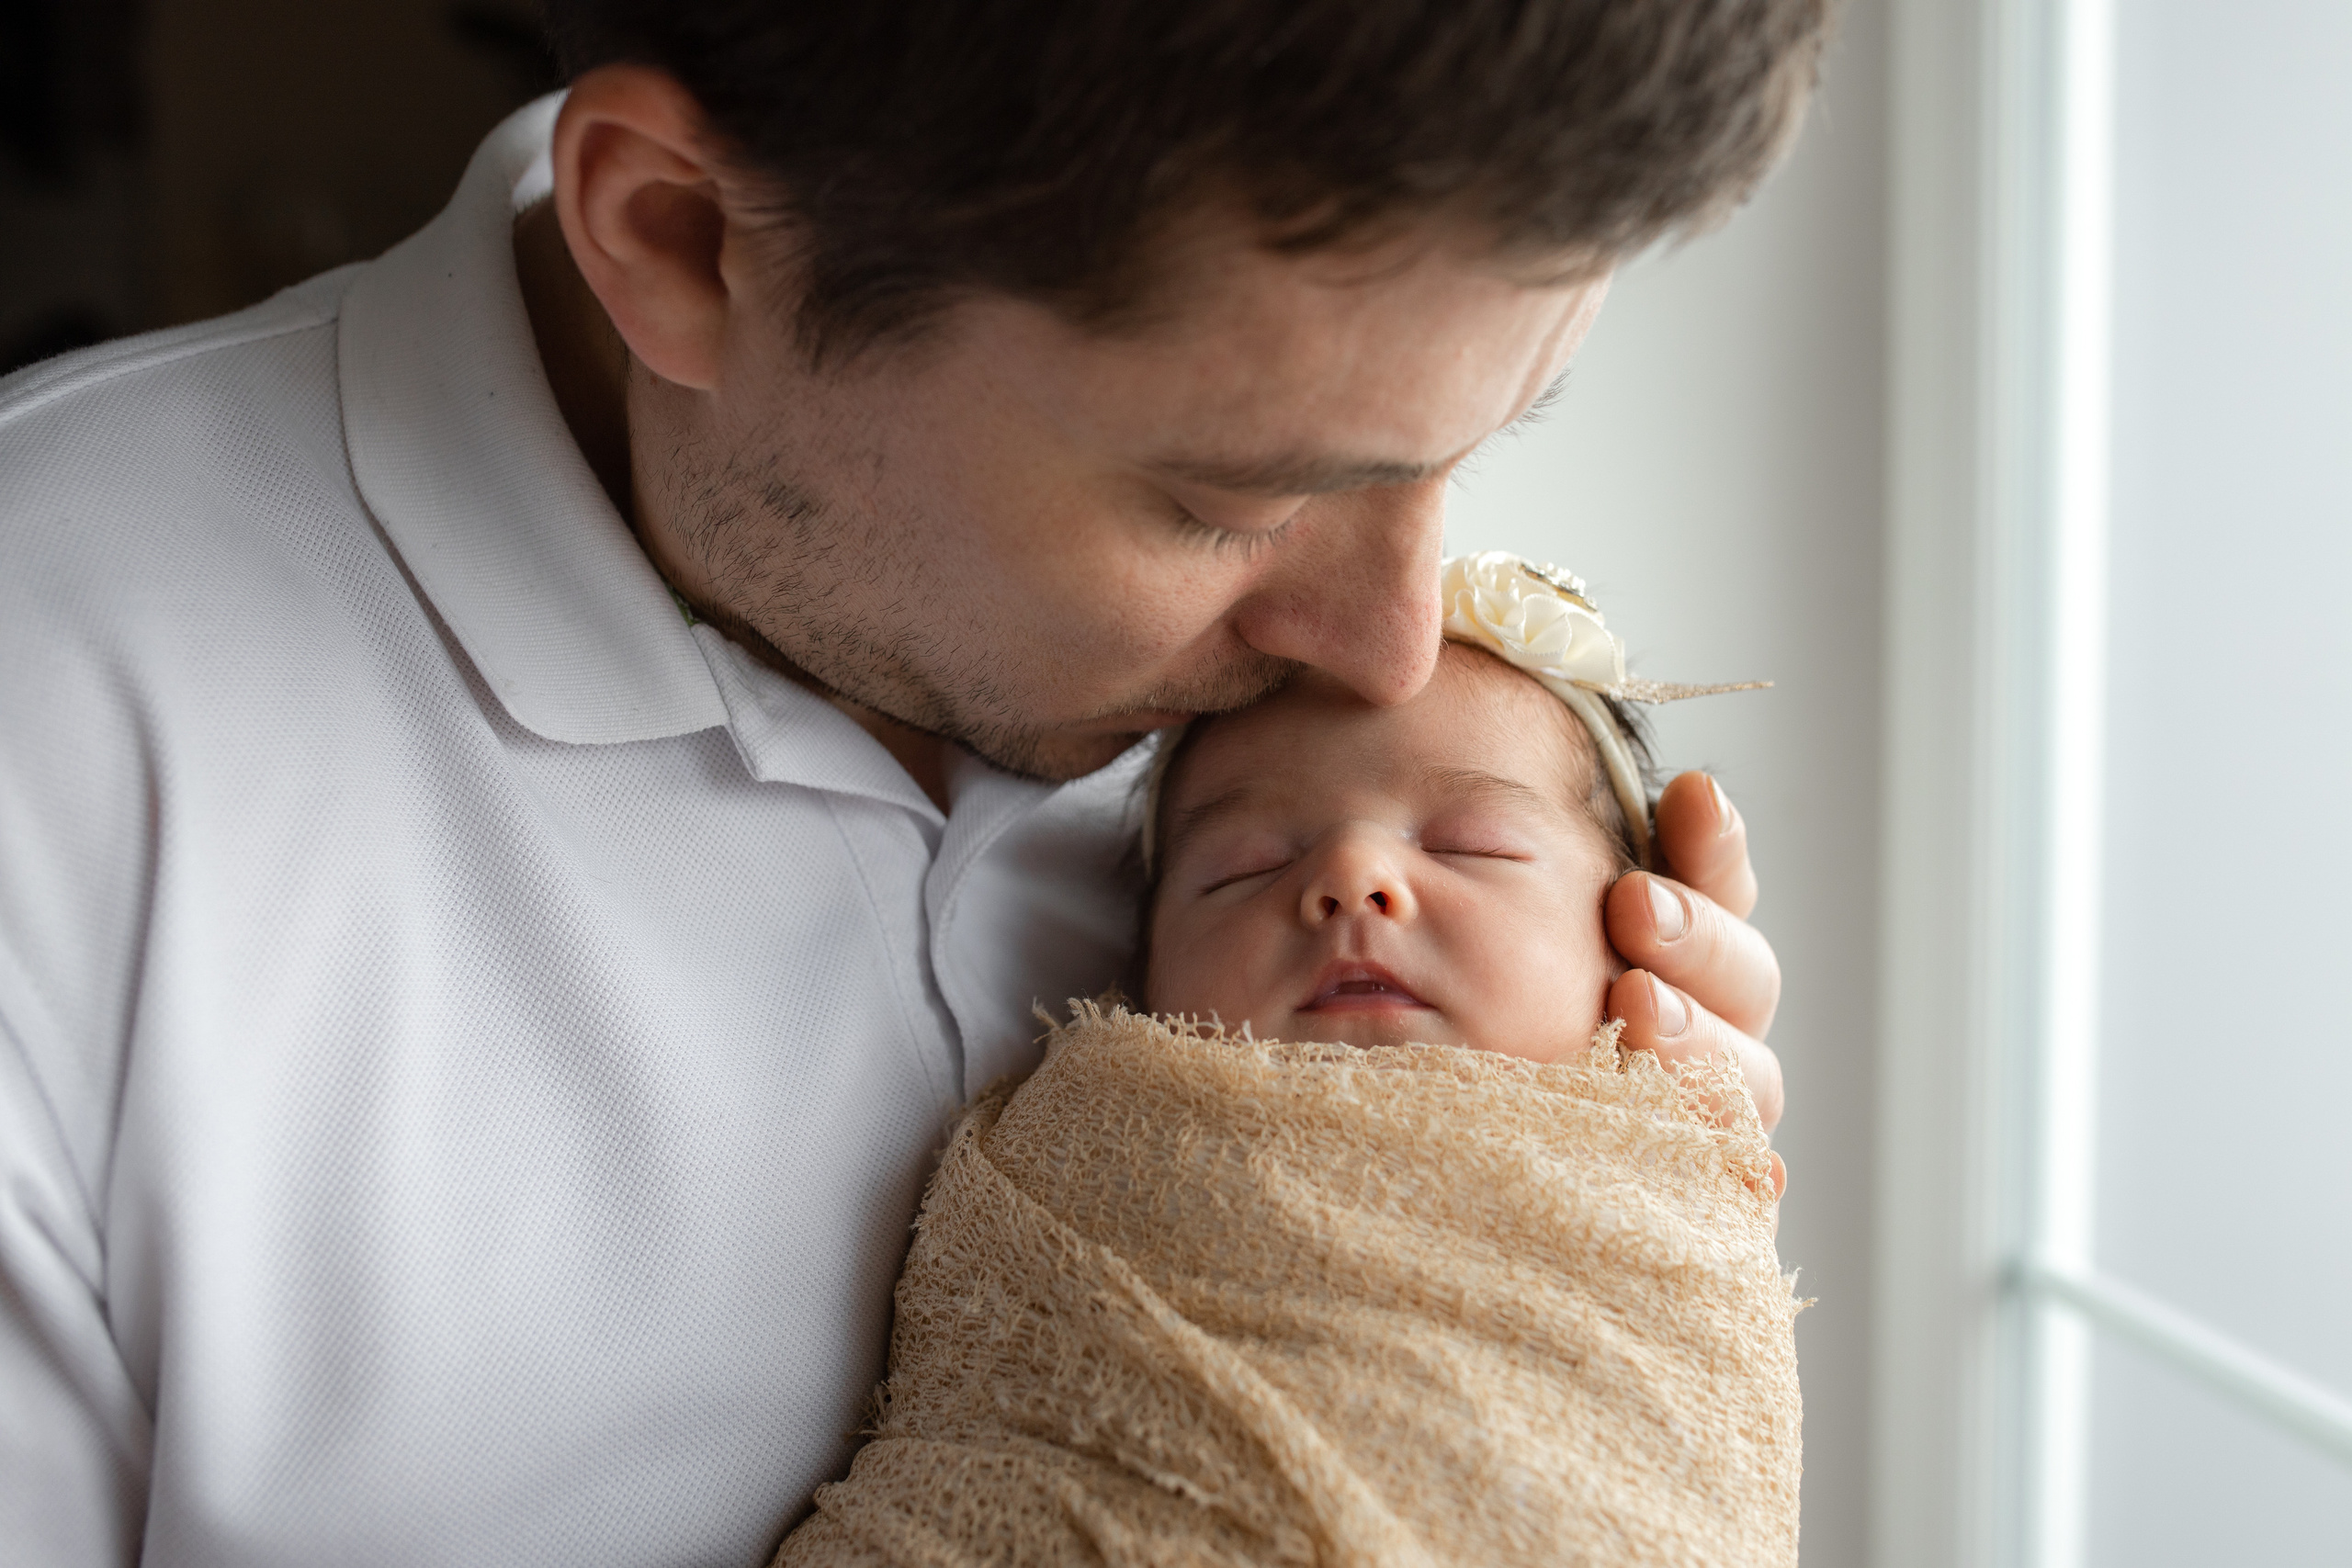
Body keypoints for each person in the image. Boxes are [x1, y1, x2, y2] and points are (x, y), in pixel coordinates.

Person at [0, 5, 1826, 1564]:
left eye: (1465, 452)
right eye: (1227, 504)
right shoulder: (62, 758)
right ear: (681, 238)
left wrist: (1574, 1227)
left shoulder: (1282, 573)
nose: (1389, 646)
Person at [776, 556, 1801, 1564]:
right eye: (1244, 866)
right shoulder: (1079, 1135)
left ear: (1635, 937)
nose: (1352, 872)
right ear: (1138, 977)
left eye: (1471, 844)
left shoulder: (1651, 1202)